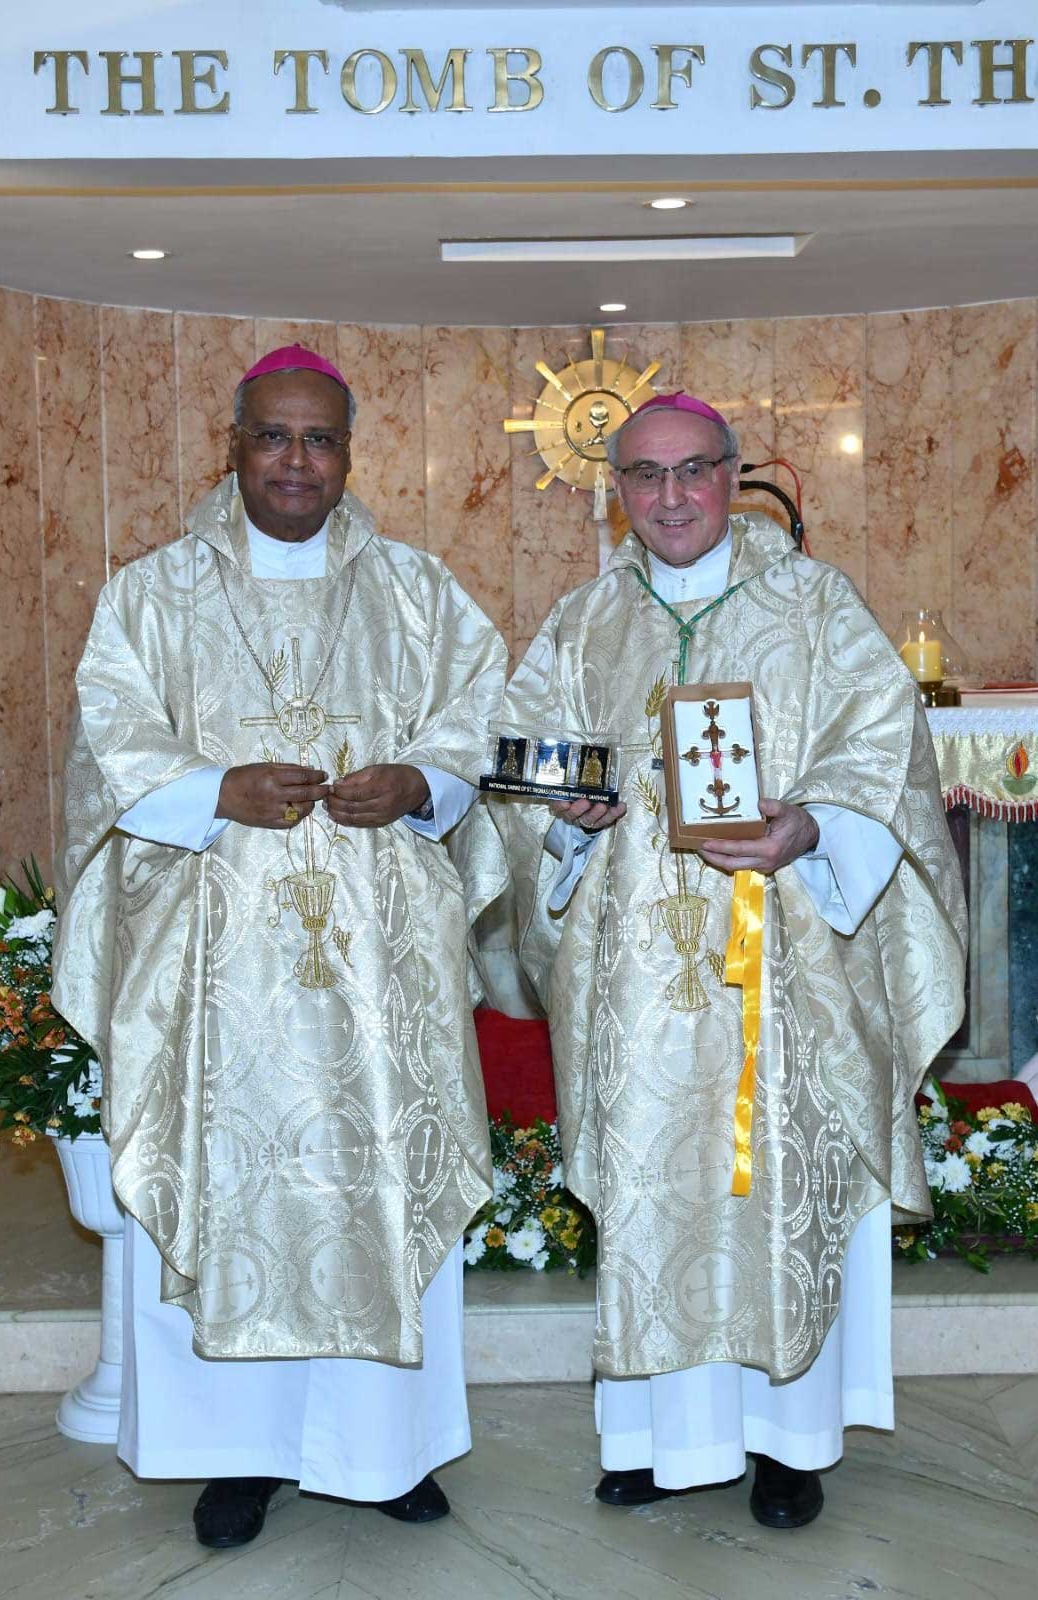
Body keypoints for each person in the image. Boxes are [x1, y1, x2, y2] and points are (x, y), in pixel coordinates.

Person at [52, 345, 506, 1547]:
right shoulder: (152, 595)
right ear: (234, 445)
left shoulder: (415, 590)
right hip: (216, 967)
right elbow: (110, 742)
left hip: (379, 968)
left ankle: (383, 1450)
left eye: (319, 439)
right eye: (272, 436)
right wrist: (213, 790)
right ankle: (234, 1454)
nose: (296, 461)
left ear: (347, 454)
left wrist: (419, 783)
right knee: (229, 1183)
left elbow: (478, 722)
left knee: (378, 1180)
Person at [492, 391, 966, 1528]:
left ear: (733, 475)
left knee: (777, 1185)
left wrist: (809, 826)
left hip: (784, 965)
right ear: (617, 491)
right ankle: (653, 1437)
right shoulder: (582, 622)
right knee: (651, 1188)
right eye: (643, 476)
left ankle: (788, 1441)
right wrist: (564, 822)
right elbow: (520, 782)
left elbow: (887, 759)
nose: (669, 498)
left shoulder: (817, 606)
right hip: (633, 982)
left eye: (692, 470)